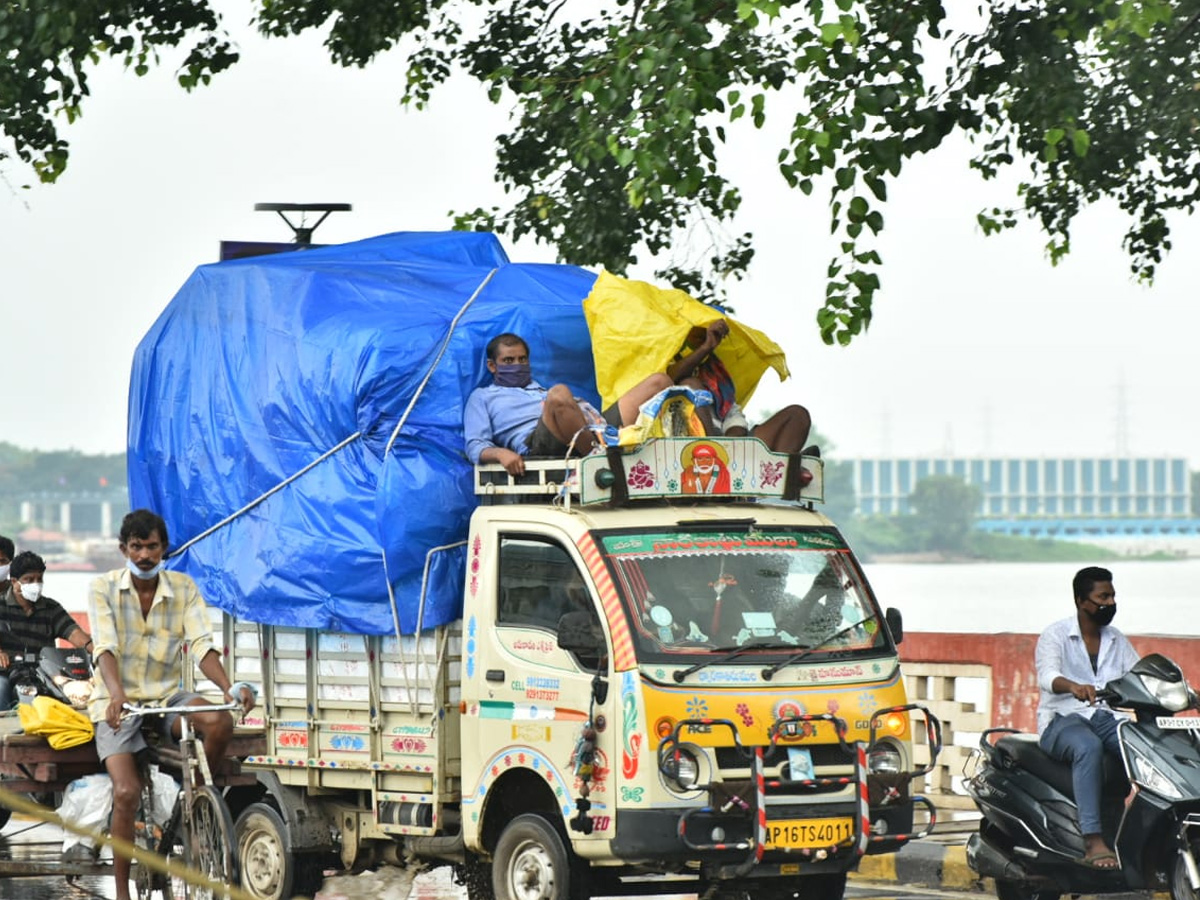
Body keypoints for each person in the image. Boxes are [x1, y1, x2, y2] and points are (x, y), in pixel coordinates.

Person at [88, 509, 255, 900]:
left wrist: (231, 688)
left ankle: (193, 802)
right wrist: (116, 694)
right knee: (126, 792)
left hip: (165, 698)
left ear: (163, 548)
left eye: (151, 546)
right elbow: (104, 648)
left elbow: (201, 645)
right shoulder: (103, 588)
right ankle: (122, 891)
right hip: (118, 704)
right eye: (136, 547)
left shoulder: (182, 587)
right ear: (123, 549)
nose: (144, 555)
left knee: (217, 722)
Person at [1035, 565, 1138, 870]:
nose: (1110, 603)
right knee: (1088, 747)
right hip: (1062, 720)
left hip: (1105, 717)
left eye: (1112, 595)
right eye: (1102, 596)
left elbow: (1140, 674)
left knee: (1140, 746)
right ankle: (1092, 839)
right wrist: (1072, 686)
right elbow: (1048, 675)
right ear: (1082, 601)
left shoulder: (1116, 639)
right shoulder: (1056, 635)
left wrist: (1184, 690)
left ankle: (1136, 828)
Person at [464, 332, 672, 475]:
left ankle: (685, 460)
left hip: (591, 427)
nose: (518, 365)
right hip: (539, 444)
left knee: (658, 382)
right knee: (559, 394)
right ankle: (600, 465)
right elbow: (475, 445)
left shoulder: (538, 389)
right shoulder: (482, 397)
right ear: (492, 366)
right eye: (509, 361)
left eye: (522, 359)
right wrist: (501, 454)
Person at [668, 320, 812, 453]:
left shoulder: (716, 374)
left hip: (730, 447)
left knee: (797, 415)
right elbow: (671, 377)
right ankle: (713, 449)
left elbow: (733, 416)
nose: (705, 337)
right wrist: (706, 347)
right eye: (701, 333)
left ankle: (783, 470)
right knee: (690, 384)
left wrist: (731, 442)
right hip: (693, 445)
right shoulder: (666, 360)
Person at [0, 551, 93, 709]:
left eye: (39, 579)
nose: (35, 584)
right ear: (14, 581)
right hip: (8, 673)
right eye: (29, 580)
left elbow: (74, 633)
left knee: (74, 695)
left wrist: (97, 651)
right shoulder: (1, 605)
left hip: (45, 674)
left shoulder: (51, 608)